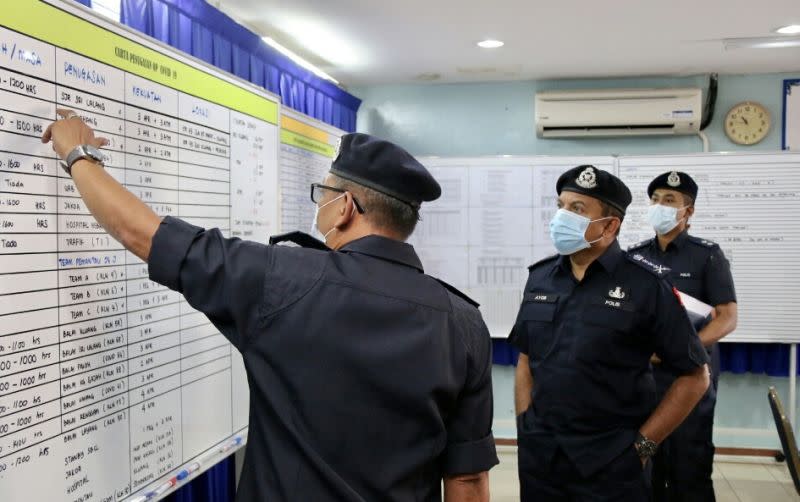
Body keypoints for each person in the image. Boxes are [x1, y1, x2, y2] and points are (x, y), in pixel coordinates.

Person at [42, 109, 498, 502]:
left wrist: (78, 154)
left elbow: (143, 234)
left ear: (345, 208)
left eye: (323, 194)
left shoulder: (282, 280)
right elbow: (468, 477)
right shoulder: (464, 322)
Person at [509, 164, 710, 502]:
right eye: (561, 206)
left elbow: (695, 377)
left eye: (577, 209)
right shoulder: (540, 278)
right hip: (541, 457)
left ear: (609, 225)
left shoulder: (646, 287)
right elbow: (526, 359)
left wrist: (643, 447)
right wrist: (524, 425)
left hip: (611, 461)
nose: (562, 217)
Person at [629, 171, 737, 502]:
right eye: (655, 200)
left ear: (688, 211)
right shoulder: (634, 256)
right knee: (645, 464)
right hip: (644, 380)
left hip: (690, 378)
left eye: (670, 200)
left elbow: (727, 319)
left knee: (689, 469)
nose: (659, 206)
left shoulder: (707, 255)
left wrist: (682, 348)